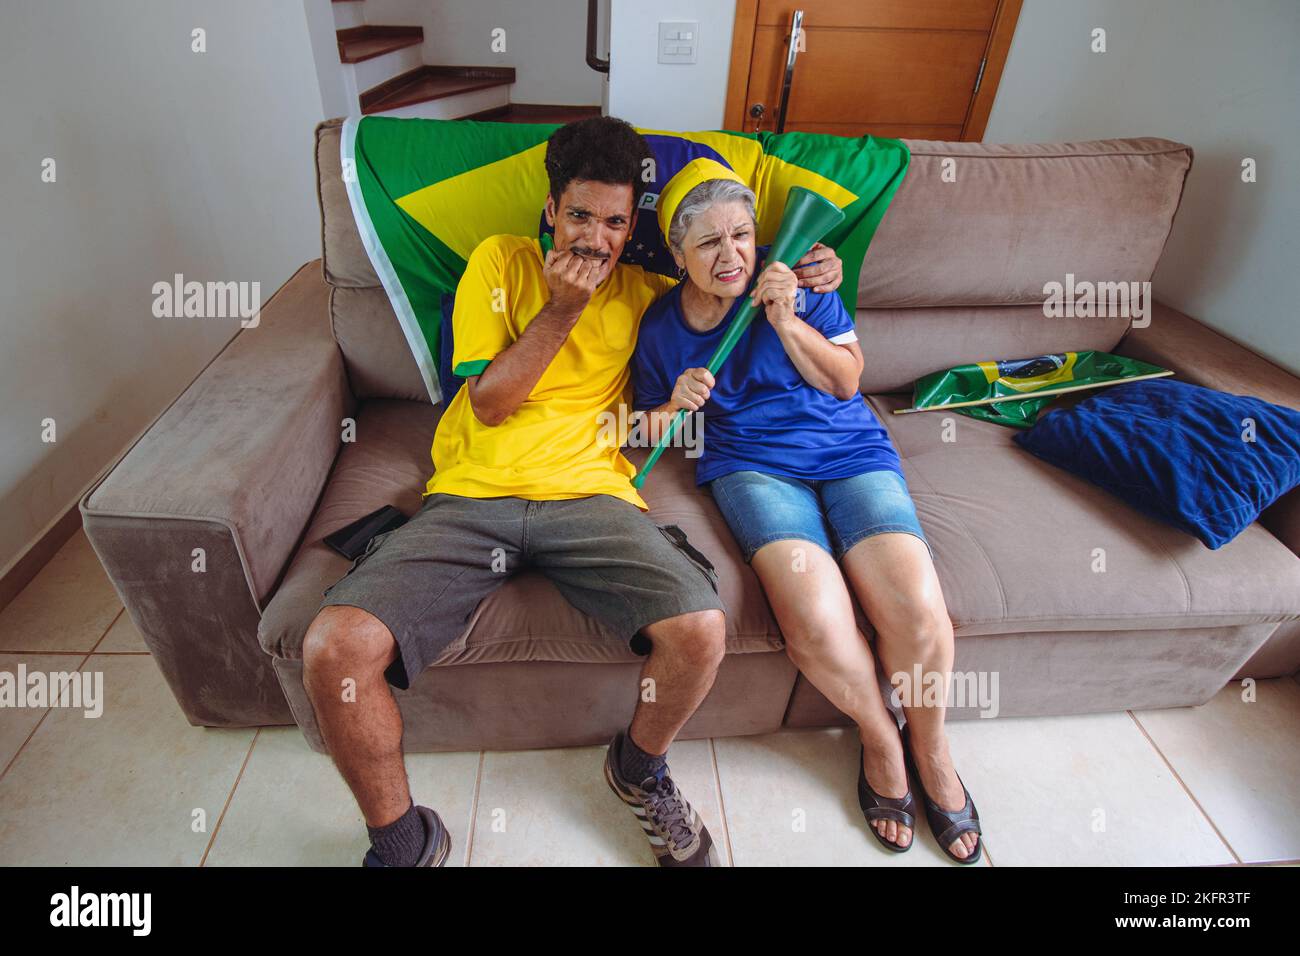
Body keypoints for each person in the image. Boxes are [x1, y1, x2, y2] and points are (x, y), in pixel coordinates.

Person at [300, 117, 843, 868]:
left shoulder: (651, 295)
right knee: (332, 648)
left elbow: (734, 277)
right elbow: (489, 403)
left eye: (616, 222)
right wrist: (561, 309)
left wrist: (814, 270)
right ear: (553, 209)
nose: (595, 239)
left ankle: (637, 767)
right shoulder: (501, 261)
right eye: (581, 215)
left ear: (632, 227)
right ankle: (402, 841)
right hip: (470, 497)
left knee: (700, 630)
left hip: (594, 494)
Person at [630, 169, 983, 863]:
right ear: (678, 257)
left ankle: (932, 748)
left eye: (741, 235)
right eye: (708, 244)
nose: (732, 255)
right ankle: (881, 738)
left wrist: (786, 320)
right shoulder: (660, 330)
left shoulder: (803, 282)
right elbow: (640, 428)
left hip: (851, 453)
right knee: (817, 622)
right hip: (750, 467)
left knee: (915, 606)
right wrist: (672, 403)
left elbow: (847, 380)